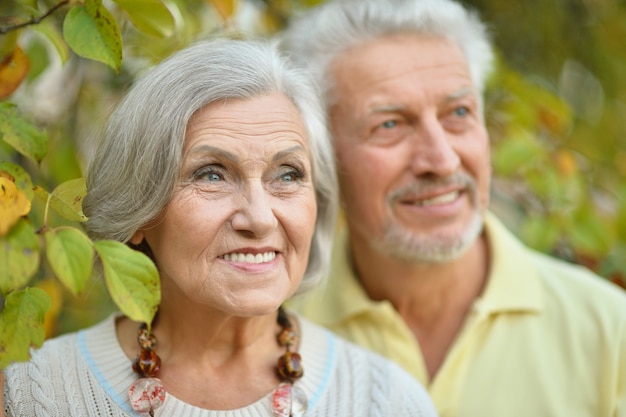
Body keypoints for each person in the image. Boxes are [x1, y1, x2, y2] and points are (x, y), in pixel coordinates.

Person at [2, 38, 439, 417]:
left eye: (287, 174)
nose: (260, 218)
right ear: (139, 212)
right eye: (211, 174)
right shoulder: (31, 395)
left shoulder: (386, 401)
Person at [279, 0, 626, 416]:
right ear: (320, 157)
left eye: (458, 113)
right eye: (389, 124)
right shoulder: (272, 330)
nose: (441, 160)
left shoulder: (611, 332)